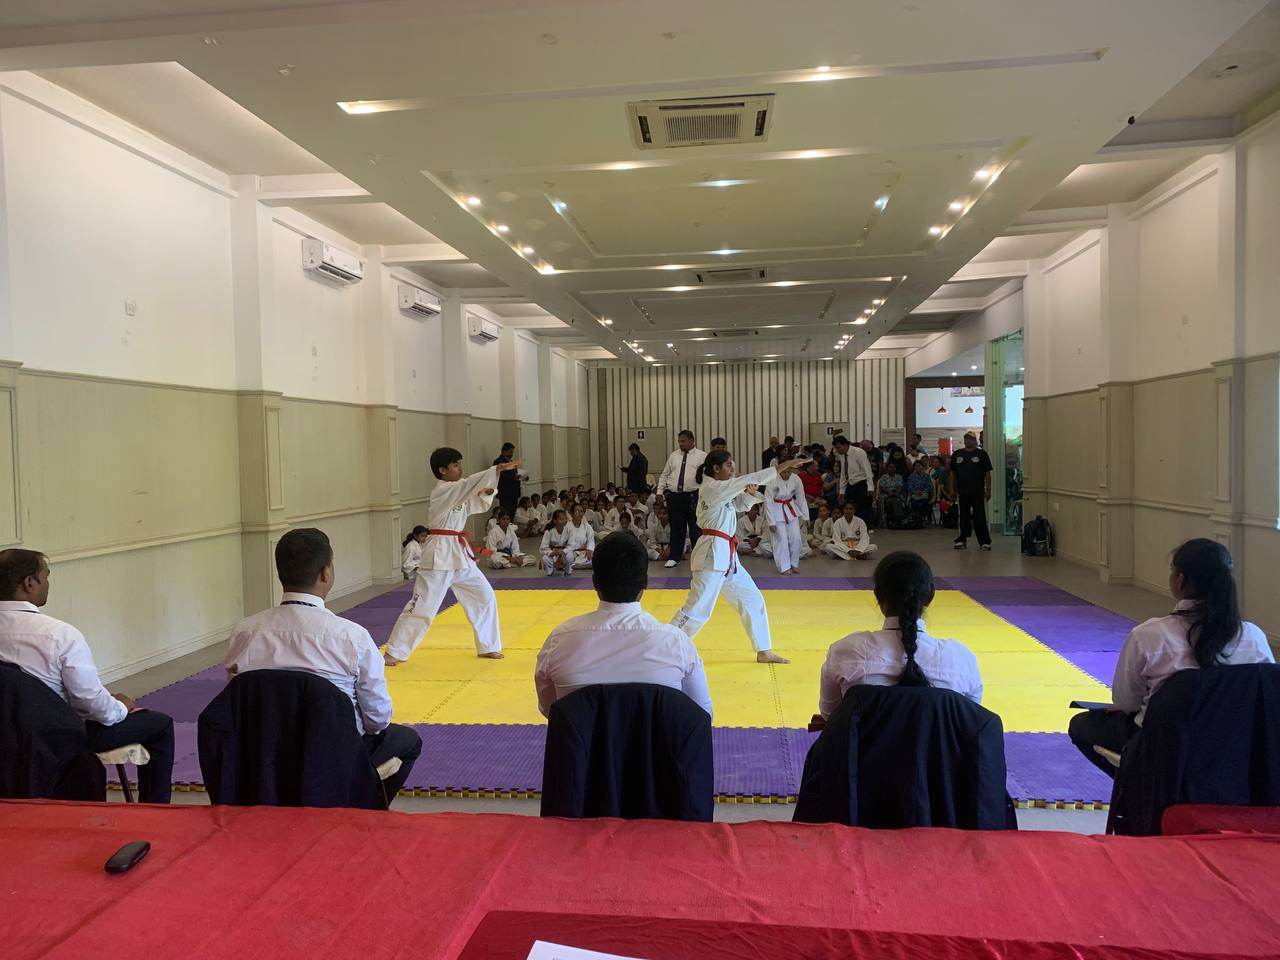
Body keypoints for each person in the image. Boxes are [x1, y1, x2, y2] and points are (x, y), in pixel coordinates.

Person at [226, 529, 422, 799]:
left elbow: (238, 700)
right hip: (331, 758)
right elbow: (377, 720)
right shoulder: (352, 637)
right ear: (325, 574)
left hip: (262, 755)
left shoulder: (244, 632)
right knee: (407, 741)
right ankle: (358, 804)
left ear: (281, 573)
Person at [1067, 539, 1275, 777]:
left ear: (1180, 579)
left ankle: (1139, 789)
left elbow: (1126, 702)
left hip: (1165, 747)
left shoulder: (1148, 636)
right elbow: (1265, 698)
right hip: (1233, 748)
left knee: (1081, 725)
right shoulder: (1253, 637)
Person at [0, 549, 175, 803]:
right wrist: (120, 707)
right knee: (160, 725)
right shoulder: (59, 635)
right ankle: (154, 811)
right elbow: (92, 705)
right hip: (56, 738)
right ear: (29, 583)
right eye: (45, 576)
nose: (47, 583)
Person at [534, 531, 713, 718]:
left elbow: (550, 710)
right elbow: (702, 715)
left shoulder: (559, 641)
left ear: (594, 583)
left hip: (583, 737)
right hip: (656, 738)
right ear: (645, 583)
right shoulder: (677, 644)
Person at [384, 447, 520, 665]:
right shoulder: (443, 490)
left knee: (484, 596)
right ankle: (395, 651)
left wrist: (486, 492)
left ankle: (488, 645)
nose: (460, 468)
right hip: (439, 553)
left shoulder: (458, 492)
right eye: (455, 465)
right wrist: (496, 470)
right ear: (442, 470)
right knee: (424, 605)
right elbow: (467, 486)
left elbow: (474, 504)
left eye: (460, 464)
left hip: (458, 553)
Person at [669, 450, 808, 664]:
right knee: (697, 608)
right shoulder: (713, 488)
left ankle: (763, 650)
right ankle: (666, 648)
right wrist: (785, 465)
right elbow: (750, 478)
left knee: (752, 599)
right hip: (711, 554)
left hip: (727, 556)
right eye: (728, 465)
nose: (732, 469)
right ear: (716, 468)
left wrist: (751, 494)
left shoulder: (720, 489)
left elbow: (739, 505)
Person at [817, 551, 982, 719]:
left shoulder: (845, 652)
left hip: (865, 737)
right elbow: (970, 722)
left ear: (878, 595)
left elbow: (830, 715)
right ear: (930, 595)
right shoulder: (962, 660)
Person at [656, 430, 706, 569]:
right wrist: (659, 491)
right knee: (677, 528)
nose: (681, 444)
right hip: (675, 496)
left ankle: (699, 559)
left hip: (694, 495)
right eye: (679, 441)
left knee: (696, 528)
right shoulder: (674, 456)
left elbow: (707, 477)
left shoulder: (702, 456)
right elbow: (665, 475)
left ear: (692, 440)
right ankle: (674, 557)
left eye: (683, 441)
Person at [949, 431, 993, 550]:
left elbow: (987, 473)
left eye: (970, 439)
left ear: (975, 440)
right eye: (966, 438)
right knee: (963, 516)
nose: (968, 440)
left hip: (978, 491)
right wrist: (951, 489)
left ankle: (984, 541)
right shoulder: (957, 454)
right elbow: (952, 473)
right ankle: (962, 540)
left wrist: (988, 489)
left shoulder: (982, 454)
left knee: (980, 516)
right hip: (962, 492)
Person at [764, 461, 807, 575]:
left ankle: (794, 563)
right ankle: (784, 567)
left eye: (789, 472)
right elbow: (768, 501)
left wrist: (805, 516)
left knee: (796, 538)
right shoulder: (772, 480)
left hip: (791, 509)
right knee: (781, 539)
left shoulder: (796, 479)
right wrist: (771, 522)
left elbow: (801, 497)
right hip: (776, 510)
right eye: (784, 472)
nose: (786, 474)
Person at [832, 435, 874, 526]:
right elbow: (843, 474)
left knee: (863, 508)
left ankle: (865, 528)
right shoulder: (842, 455)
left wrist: (870, 487)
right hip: (850, 484)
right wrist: (842, 491)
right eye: (836, 448)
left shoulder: (859, 452)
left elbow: (867, 470)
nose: (838, 450)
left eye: (838, 448)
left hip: (861, 483)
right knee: (850, 507)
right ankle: (852, 527)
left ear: (845, 445)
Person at [540, 509, 573, 576]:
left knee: (570, 556)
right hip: (553, 554)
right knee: (545, 558)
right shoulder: (549, 531)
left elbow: (571, 545)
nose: (564, 521)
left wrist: (563, 551)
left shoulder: (569, 530)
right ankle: (550, 570)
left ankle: (567, 569)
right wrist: (551, 552)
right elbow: (543, 548)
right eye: (561, 519)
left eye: (565, 519)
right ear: (555, 521)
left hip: (564, 554)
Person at [493, 442, 521, 519]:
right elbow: (499, 475)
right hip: (505, 492)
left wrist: (521, 476)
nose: (512, 454)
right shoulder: (498, 461)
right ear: (504, 451)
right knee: (506, 513)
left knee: (512, 513)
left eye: (513, 452)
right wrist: (513, 478)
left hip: (514, 492)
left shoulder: (510, 461)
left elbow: (514, 473)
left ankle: (510, 526)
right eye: (510, 452)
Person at [565, 503, 596, 570]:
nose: (580, 513)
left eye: (581, 511)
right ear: (571, 514)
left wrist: (589, 550)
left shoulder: (587, 527)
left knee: (595, 557)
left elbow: (591, 540)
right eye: (577, 511)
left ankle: (576, 565)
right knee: (568, 557)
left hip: (584, 552)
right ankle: (578, 565)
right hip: (571, 552)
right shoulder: (567, 527)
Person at [876, 461, 906, 527]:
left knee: (903, 500)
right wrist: (889, 493)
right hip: (886, 494)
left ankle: (901, 519)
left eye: (893, 467)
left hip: (896, 493)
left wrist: (895, 493)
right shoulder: (883, 477)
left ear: (895, 468)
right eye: (890, 467)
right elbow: (882, 488)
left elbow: (899, 487)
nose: (892, 469)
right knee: (882, 500)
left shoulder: (899, 477)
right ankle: (883, 521)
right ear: (887, 468)